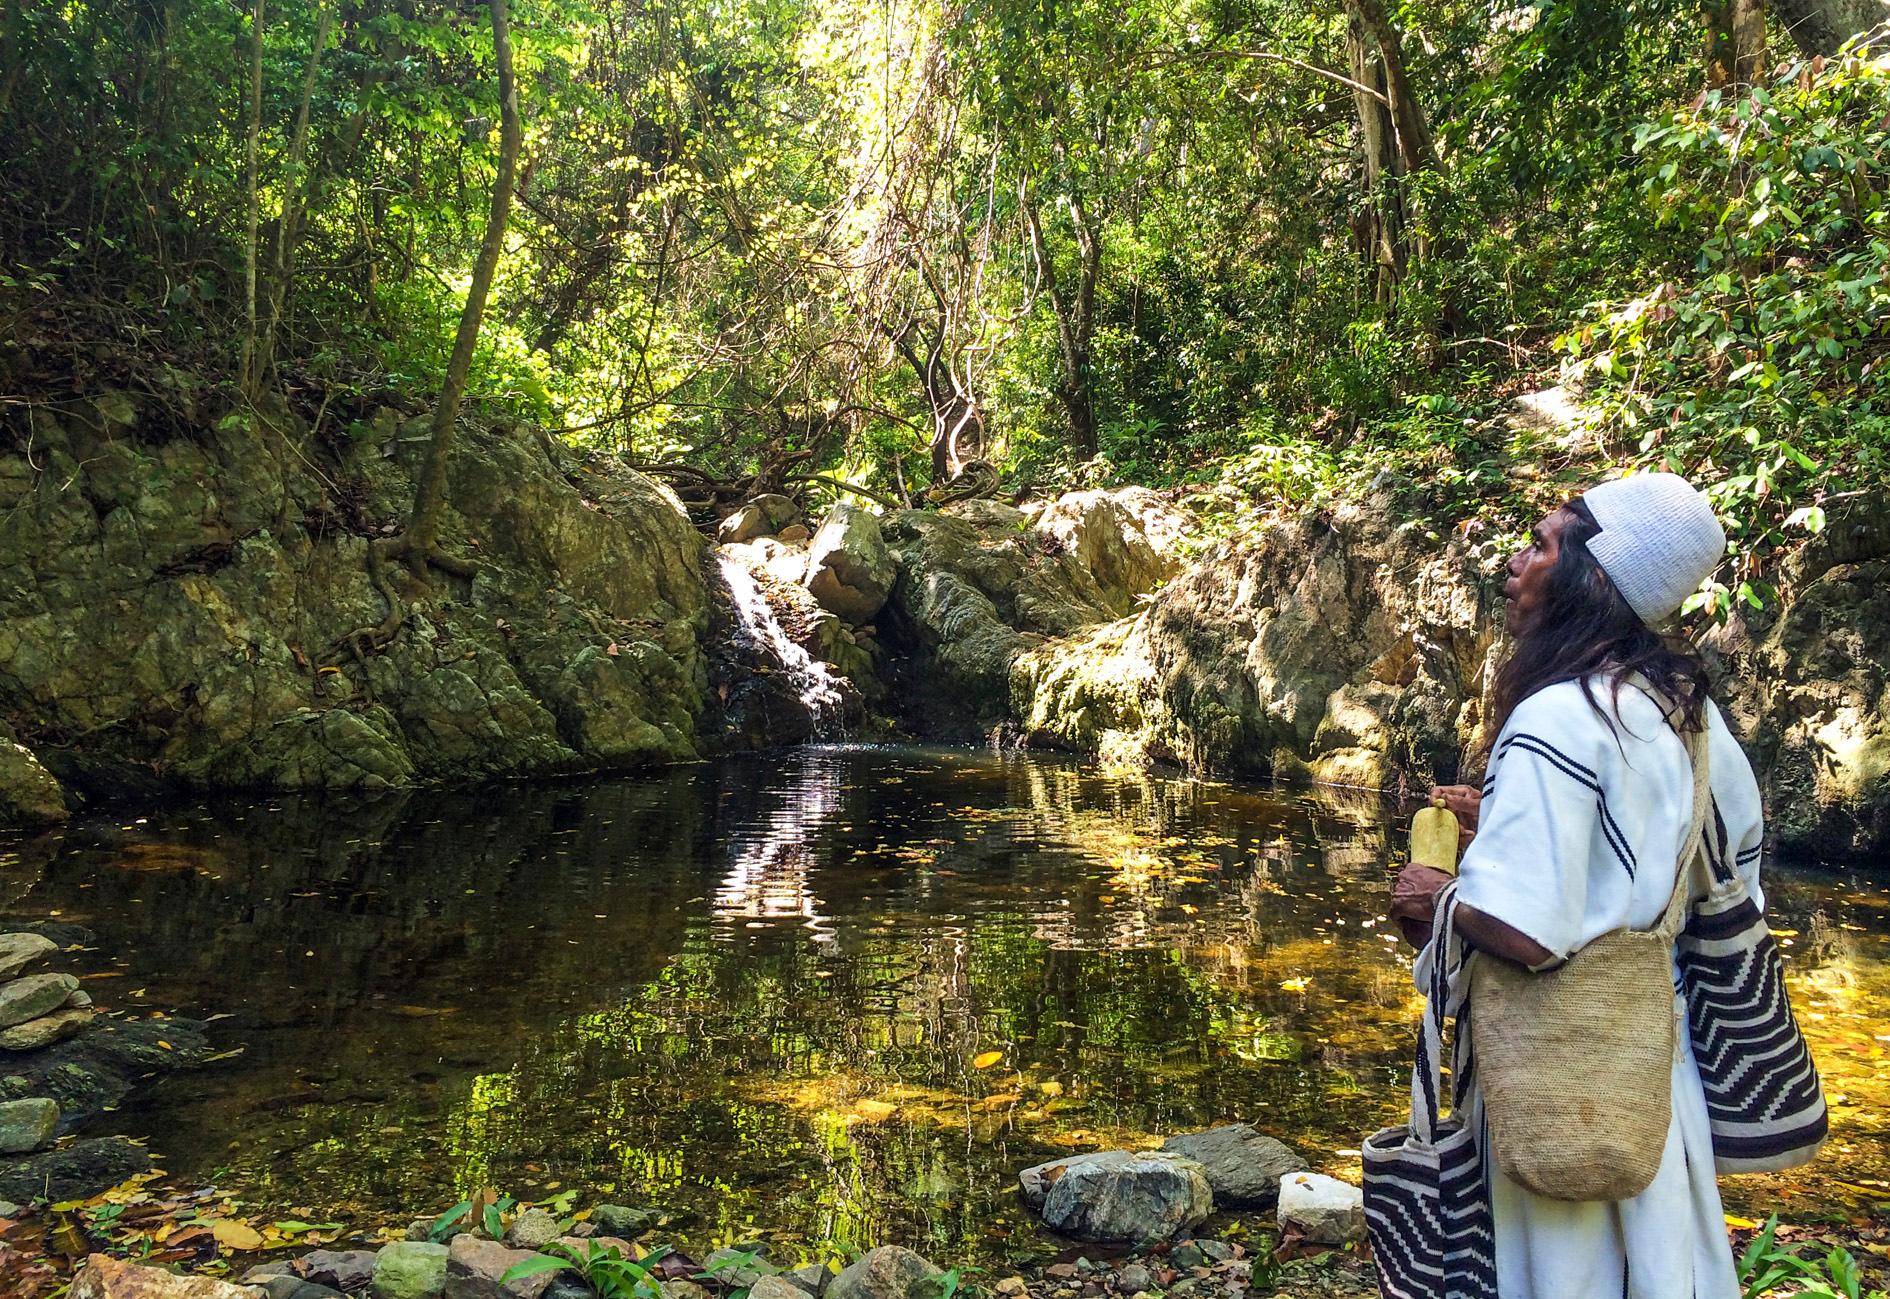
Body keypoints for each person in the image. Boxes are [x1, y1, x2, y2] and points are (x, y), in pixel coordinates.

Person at [1388, 472, 1765, 1299]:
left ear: (1594, 575)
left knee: (1560, 1270)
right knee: (1663, 1263)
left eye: (1542, 544)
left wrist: (1435, 898)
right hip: (1655, 1071)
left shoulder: (1554, 716)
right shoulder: (1692, 717)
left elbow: (1527, 929)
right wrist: (1504, 826)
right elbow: (1700, 875)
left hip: (1555, 1076)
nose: (1518, 565)